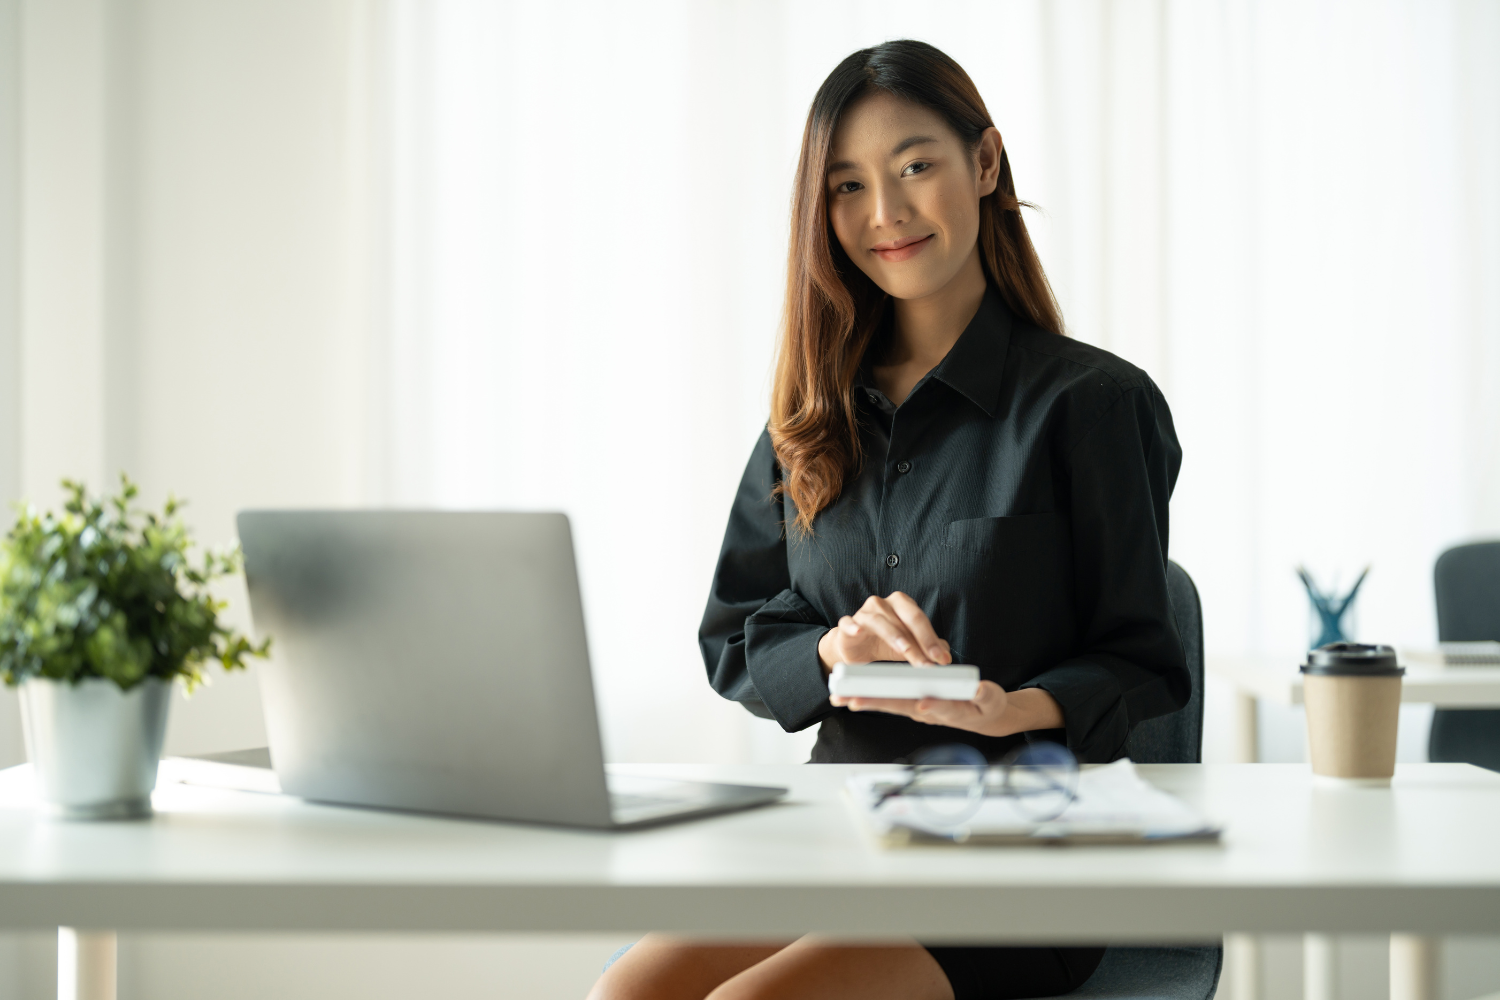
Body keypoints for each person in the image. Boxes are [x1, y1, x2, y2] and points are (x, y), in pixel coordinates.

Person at [589, 39, 1187, 1000]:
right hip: (836, 829)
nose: (886, 213)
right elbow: (737, 636)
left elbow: (1143, 659)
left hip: (1016, 846)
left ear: (984, 164)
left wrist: (1010, 707)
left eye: (916, 166)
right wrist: (833, 648)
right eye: (847, 186)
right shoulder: (807, 419)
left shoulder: (1093, 405)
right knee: (623, 994)